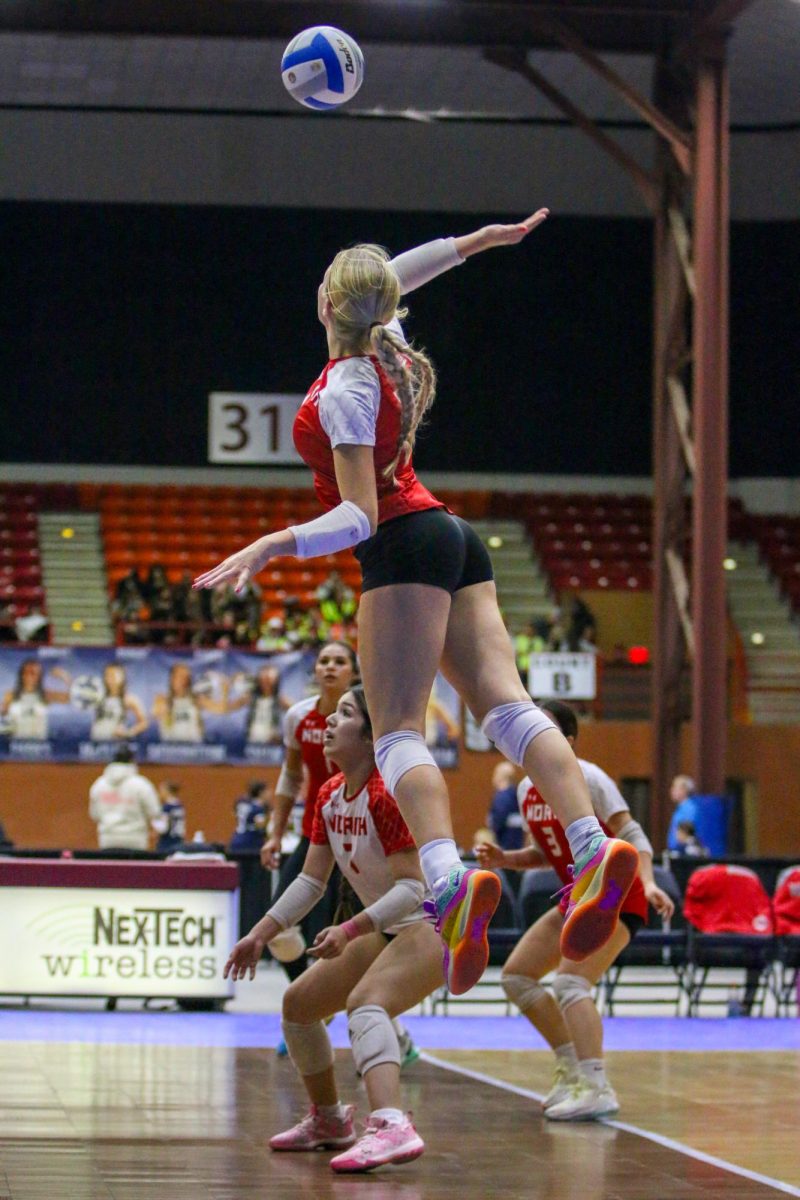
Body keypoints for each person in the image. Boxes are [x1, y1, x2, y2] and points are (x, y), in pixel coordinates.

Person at [194, 211, 638, 993]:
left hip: (399, 543)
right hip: (452, 534)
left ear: (328, 306)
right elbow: (402, 274)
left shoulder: (346, 389)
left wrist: (273, 544)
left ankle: (447, 880)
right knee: (506, 706)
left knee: (398, 729)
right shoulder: (387, 347)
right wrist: (473, 245)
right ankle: (593, 849)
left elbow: (358, 515)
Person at [224, 686, 441, 1172]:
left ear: (369, 738)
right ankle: (328, 1120)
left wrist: (350, 930)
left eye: (344, 714)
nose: (328, 722)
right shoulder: (327, 793)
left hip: (431, 925)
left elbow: (412, 889)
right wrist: (259, 934)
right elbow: (310, 881)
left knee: (367, 1006)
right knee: (298, 1006)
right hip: (385, 929)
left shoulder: (388, 793)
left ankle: (390, 1125)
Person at [476, 698, 675, 1120]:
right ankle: (570, 1069)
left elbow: (631, 831)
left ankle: (596, 1084)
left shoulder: (588, 777)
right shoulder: (527, 789)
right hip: (575, 898)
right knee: (517, 977)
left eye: (543, 729)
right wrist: (505, 859)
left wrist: (651, 881)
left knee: (569, 985)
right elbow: (543, 851)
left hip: (617, 897)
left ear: (566, 740)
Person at [258, 641, 360, 983]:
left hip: (358, 837)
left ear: (354, 672)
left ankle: (388, 1027)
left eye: (339, 661)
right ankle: (307, 992)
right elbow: (290, 777)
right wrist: (275, 835)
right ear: (315, 670)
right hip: (313, 836)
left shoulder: (369, 716)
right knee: (278, 930)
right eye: (323, 661)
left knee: (347, 936)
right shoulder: (298, 716)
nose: (330, 667)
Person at [88, 744, 162, 850]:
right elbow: (154, 812)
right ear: (132, 761)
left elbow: (94, 815)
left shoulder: (99, 784)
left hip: (107, 840)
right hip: (136, 841)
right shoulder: (141, 784)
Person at [1, 658, 70, 739]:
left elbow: (73, 698)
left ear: (39, 676)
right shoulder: (10, 695)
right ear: (21, 675)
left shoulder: (46, 695)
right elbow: (3, 716)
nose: (29, 676)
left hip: (39, 745)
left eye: (33, 673)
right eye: (26, 672)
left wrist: (64, 676)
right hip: (16, 744)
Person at [90, 663, 148, 742]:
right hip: (96, 742)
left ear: (122, 677)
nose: (110, 679)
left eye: (114, 675)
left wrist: (129, 733)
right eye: (107, 675)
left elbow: (144, 722)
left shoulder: (129, 699)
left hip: (116, 744)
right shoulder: (97, 696)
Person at [486, 761, 524, 851]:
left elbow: (497, 822)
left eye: (495, 774)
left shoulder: (502, 798)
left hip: (505, 847)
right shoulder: (517, 795)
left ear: (501, 777)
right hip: (518, 847)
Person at [229, 780, 269, 852]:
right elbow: (260, 825)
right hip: (251, 842)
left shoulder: (241, 803)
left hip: (236, 839)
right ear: (261, 792)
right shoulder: (258, 808)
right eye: (267, 791)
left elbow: (234, 814)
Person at [666, 773, 700, 852]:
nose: (671, 790)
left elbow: (686, 832)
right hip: (676, 849)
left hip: (683, 851)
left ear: (684, 790)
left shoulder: (689, 809)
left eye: (675, 787)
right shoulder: (680, 808)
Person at [153, 780, 186, 854]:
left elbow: (162, 828)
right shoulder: (179, 806)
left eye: (161, 790)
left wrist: (153, 822)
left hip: (166, 843)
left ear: (167, 791)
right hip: (178, 841)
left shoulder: (167, 808)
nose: (160, 793)